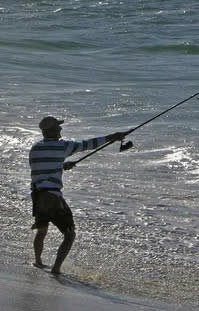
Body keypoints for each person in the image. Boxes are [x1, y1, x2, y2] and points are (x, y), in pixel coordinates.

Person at [29, 116, 127, 275]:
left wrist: (61, 166)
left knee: (42, 230)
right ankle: (56, 269)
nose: (61, 129)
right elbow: (87, 145)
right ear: (52, 130)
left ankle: (38, 261)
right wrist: (113, 137)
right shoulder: (62, 146)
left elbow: (43, 167)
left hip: (38, 196)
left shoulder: (35, 148)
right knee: (69, 234)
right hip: (53, 197)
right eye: (58, 127)